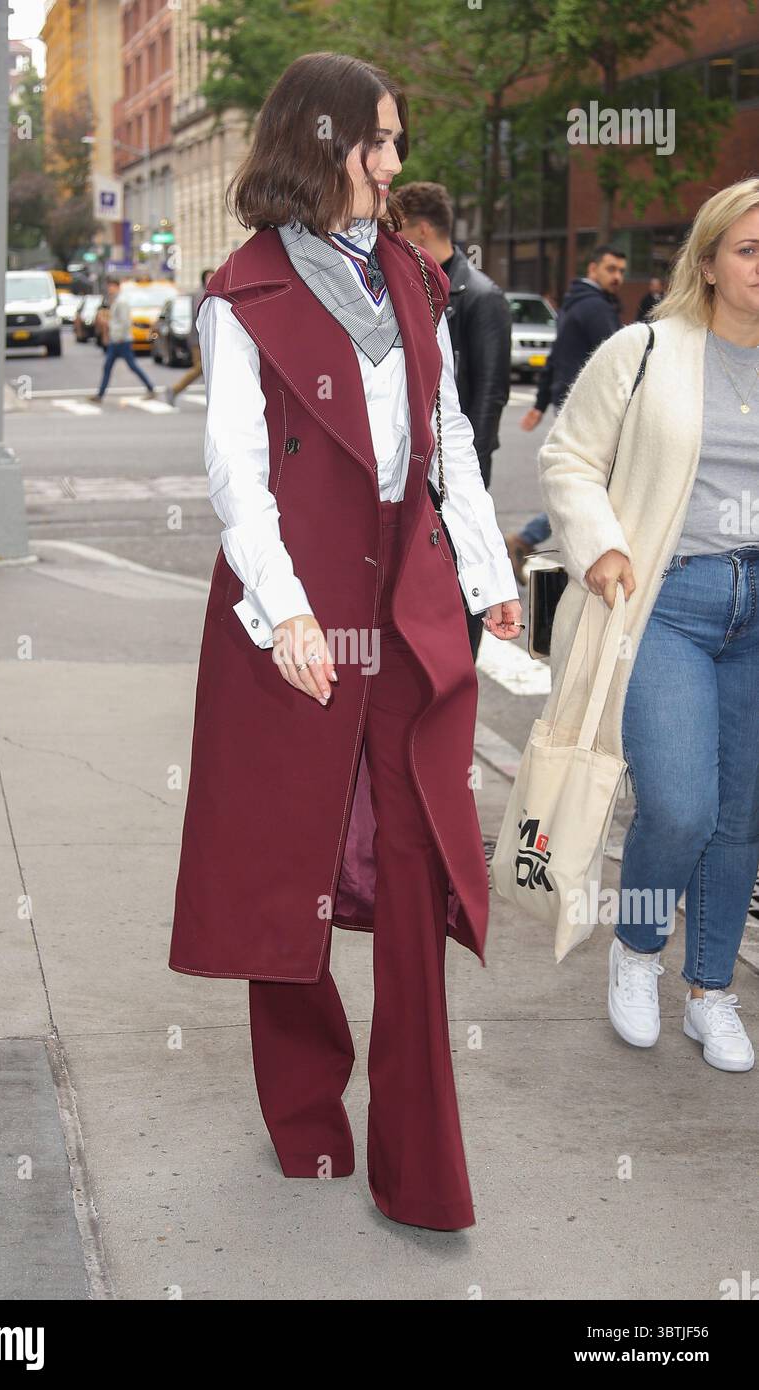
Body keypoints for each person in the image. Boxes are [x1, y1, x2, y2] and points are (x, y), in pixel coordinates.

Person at [168, 52, 522, 1232]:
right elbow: (237, 475)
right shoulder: (243, 294)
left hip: (407, 609)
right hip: (296, 621)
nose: (393, 162)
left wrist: (486, 570)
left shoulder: (412, 280)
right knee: (291, 880)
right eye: (378, 140)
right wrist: (285, 612)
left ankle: (423, 1167)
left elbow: (448, 442)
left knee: (416, 873)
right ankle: (308, 1125)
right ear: (322, 146)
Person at [538, 176, 759, 1073]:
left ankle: (711, 991)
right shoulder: (645, 350)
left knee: (741, 817)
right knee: (679, 804)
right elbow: (569, 458)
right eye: (749, 249)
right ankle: (635, 953)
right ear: (707, 263)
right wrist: (599, 545)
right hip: (666, 604)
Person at [391, 181, 512, 659]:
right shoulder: (407, 284)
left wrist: (464, 479)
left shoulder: (480, 295)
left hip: (457, 466)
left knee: (461, 579)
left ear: (421, 230)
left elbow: (487, 395)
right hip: (421, 466)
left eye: (398, 228)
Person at [504, 245, 627, 581]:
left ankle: (526, 539)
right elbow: (622, 365)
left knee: (583, 482)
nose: (617, 277)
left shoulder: (574, 305)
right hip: (594, 410)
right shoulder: (596, 309)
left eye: (621, 271)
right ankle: (530, 539)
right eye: (611, 269)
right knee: (595, 486)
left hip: (570, 403)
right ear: (593, 268)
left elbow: (556, 356)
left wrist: (541, 404)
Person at [89, 277, 156, 402]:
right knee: (109, 366)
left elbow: (125, 322)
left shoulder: (121, 302)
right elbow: (117, 322)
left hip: (121, 340)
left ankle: (150, 388)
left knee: (130, 366)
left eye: (112, 286)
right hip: (117, 339)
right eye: (109, 286)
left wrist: (118, 336)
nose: (110, 289)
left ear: (118, 287)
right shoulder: (115, 301)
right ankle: (100, 394)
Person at [164, 268, 214, 405]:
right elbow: (201, 316)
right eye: (209, 277)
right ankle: (174, 390)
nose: (211, 279)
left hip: (205, 339)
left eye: (213, 276)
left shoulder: (209, 294)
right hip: (198, 339)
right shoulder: (200, 295)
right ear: (203, 279)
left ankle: (215, 400)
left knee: (209, 370)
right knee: (201, 367)